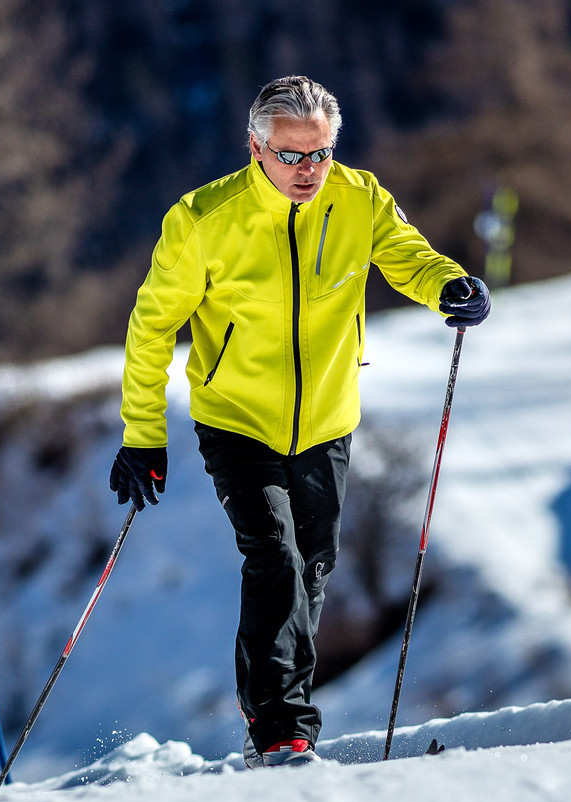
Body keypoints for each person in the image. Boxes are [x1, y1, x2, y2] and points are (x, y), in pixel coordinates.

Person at [110, 74, 491, 767]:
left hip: (327, 419)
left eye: (319, 153)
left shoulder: (358, 197)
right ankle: (281, 727)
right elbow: (151, 326)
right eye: (290, 155)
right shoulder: (203, 220)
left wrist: (449, 285)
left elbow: (405, 255)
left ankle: (268, 702)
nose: (307, 171)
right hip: (236, 418)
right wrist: (143, 433)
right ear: (255, 147)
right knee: (275, 557)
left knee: (312, 569)